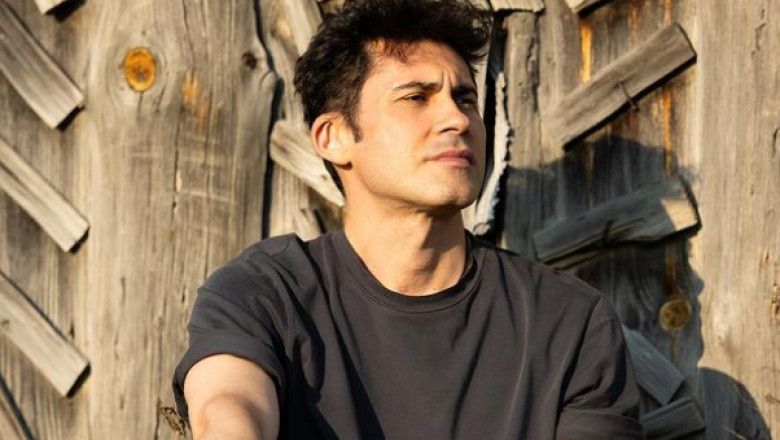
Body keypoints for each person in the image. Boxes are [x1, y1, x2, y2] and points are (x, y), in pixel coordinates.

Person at [172, 0, 644, 438]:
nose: (458, 120)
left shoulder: (568, 322)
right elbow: (228, 409)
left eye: (465, 98)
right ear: (333, 137)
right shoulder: (266, 295)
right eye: (417, 97)